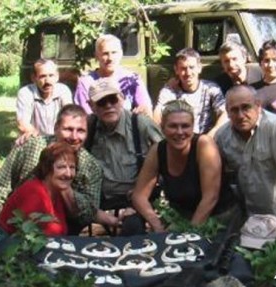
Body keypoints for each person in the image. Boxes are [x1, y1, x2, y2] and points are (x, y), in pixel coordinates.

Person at [0, 104, 118, 233]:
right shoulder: (30, 146)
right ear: (56, 128)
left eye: (80, 131)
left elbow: (88, 215)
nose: (74, 137)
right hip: (15, 225)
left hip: (65, 231)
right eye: (68, 129)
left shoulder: (91, 167)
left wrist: (64, 186)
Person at [132, 100, 222, 232]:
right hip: (181, 218)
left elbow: (211, 197)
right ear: (162, 128)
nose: (179, 132)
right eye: (173, 126)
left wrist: (190, 234)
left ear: (192, 127)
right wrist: (157, 226)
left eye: (185, 126)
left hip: (217, 218)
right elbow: (139, 196)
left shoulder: (204, 145)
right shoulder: (157, 151)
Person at [215, 85, 276, 226]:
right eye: (234, 110)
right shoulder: (222, 137)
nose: (240, 115)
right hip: (249, 219)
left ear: (258, 106)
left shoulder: (275, 127)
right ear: (227, 112)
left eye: (246, 107)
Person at [86, 77, 163, 212]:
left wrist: (145, 190)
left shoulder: (141, 124)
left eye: (113, 100)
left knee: (132, 228)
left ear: (122, 99)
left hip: (137, 200)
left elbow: (167, 157)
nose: (109, 106)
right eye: (102, 102)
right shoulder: (88, 127)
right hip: (100, 202)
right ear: (91, 106)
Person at [0, 142, 77, 236]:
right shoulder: (34, 193)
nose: (68, 174)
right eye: (61, 167)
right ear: (47, 168)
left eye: (72, 167)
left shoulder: (56, 193)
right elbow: (33, 239)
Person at [153, 48, 228, 137]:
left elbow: (225, 113)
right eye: (183, 68)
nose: (188, 73)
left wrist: (211, 136)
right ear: (176, 70)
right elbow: (158, 114)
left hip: (204, 137)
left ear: (199, 68)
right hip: (178, 137)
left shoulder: (210, 88)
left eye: (192, 67)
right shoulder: (170, 90)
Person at [74, 34, 153, 117]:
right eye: (105, 53)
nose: (110, 58)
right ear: (97, 56)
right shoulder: (86, 83)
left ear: (121, 53)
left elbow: (146, 111)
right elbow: (85, 117)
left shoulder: (131, 79)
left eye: (114, 52)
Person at [16, 59, 73, 137]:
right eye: (42, 76)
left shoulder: (63, 90)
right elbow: (23, 124)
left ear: (57, 76)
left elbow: (70, 118)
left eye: (51, 75)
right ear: (34, 78)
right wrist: (41, 142)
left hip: (59, 138)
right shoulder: (26, 93)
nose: (47, 81)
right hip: (34, 139)